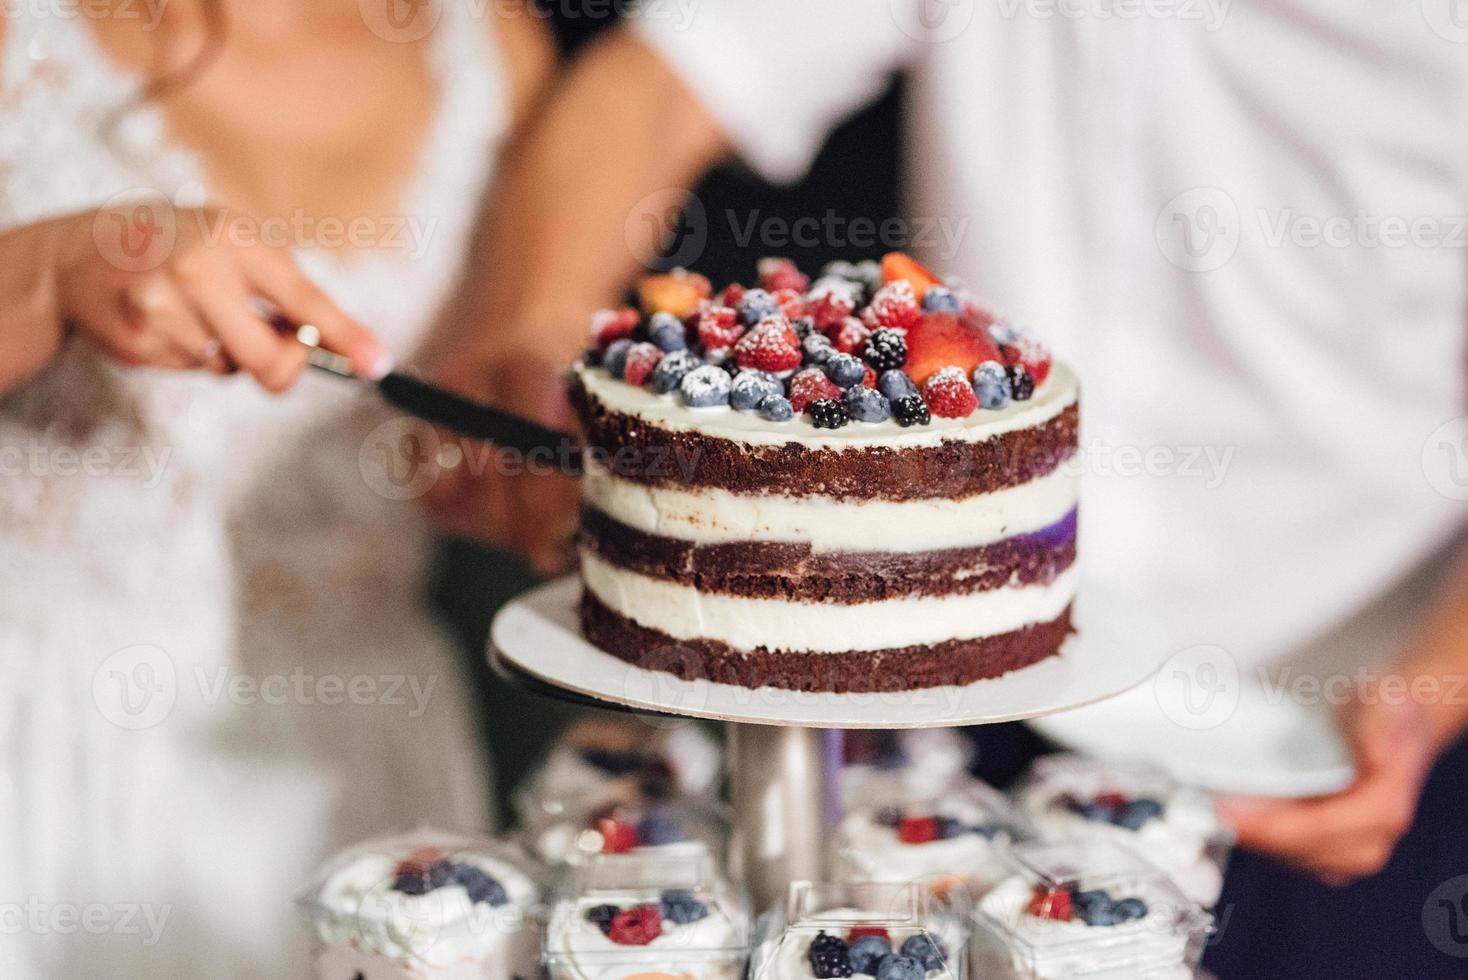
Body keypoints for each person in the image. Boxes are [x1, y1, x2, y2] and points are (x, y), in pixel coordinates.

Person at [434, 2, 1468, 974]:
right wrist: (532, 324)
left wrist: (1431, 686)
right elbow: (664, 78)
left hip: (1330, 708)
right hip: (924, 681)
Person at [0, 0, 555, 975]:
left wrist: (515, 481)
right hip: (42, 749)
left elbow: (506, 400)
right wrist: (49, 272)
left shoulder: (498, 50)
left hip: (364, 766)